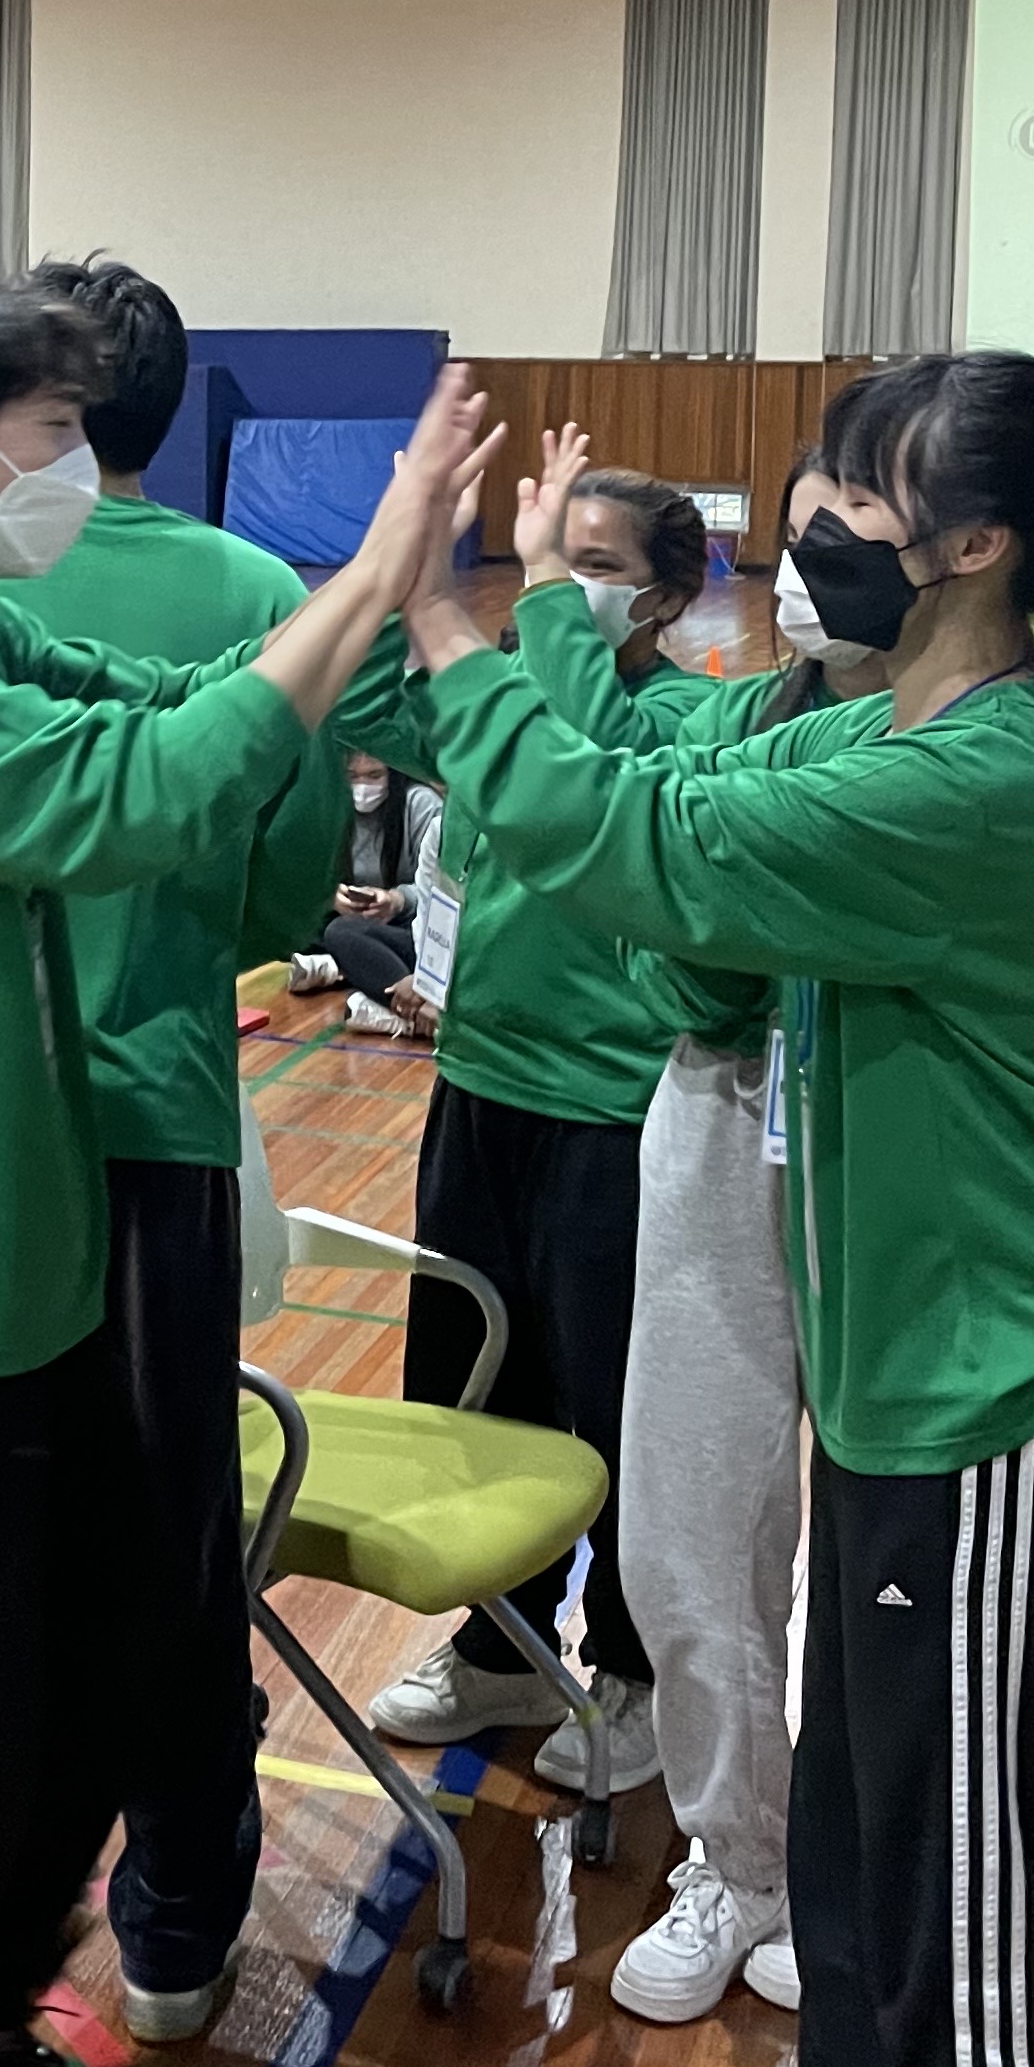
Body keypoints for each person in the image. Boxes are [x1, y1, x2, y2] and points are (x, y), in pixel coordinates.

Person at [392, 350, 1034, 2067]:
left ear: (972, 544)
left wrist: (447, 614)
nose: (815, 521)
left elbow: (618, 830)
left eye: (860, 491)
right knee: (856, 1877)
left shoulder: (975, 777)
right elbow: (653, 794)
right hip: (908, 1409)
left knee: (939, 1938)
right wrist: (537, 645)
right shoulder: (878, 729)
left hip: (996, 1417)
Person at [0, 270, 494, 2067]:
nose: (81, 468)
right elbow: (145, 789)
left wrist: (368, 596)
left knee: (87, 1677)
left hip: (20, 1266)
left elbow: (175, 700)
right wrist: (374, 560)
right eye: (59, 432)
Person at [0, 250, 347, 2047]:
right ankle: (179, 1924)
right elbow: (286, 888)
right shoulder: (259, 595)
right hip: (162, 1131)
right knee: (174, 1543)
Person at [495, 446, 878, 2024]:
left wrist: (697, 921)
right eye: (797, 530)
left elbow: (683, 894)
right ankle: (742, 1856)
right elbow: (657, 906)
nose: (812, 562)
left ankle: (859, 1870)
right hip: (722, 1116)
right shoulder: (738, 717)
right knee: (690, 1526)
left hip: (894, 1150)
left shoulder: (956, 757)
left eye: (852, 528)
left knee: (890, 1564)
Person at [364, 447, 718, 1792]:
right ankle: (501, 1647)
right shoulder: (498, 699)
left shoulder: (687, 724)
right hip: (479, 1092)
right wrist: (416, 563)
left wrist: (539, 609)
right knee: (471, 1387)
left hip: (613, 1114)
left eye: (594, 569)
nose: (556, 592)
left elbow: (586, 763)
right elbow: (357, 697)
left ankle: (632, 1674)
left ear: (666, 599)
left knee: (617, 1413)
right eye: (545, 563)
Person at [283, 755, 442, 1034]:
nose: (362, 786)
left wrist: (397, 900)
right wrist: (329, 896)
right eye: (352, 776)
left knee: (342, 933)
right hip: (352, 920)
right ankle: (346, 968)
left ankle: (408, 1014)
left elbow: (436, 895)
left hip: (410, 925)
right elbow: (299, 877)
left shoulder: (422, 806)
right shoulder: (326, 806)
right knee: (293, 925)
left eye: (374, 775)